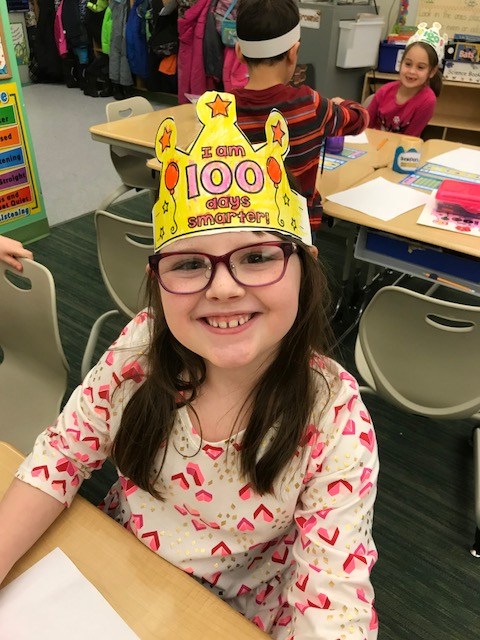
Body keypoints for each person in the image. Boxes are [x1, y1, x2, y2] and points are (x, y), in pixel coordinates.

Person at [0, 92, 379, 639]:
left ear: (305, 267)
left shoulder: (335, 420)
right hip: (117, 572)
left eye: (256, 257)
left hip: (234, 614)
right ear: (158, 281)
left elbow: (334, 606)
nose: (223, 288)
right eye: (190, 264)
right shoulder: (140, 348)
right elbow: (61, 457)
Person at [232, 0, 369, 232]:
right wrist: (340, 103)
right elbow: (359, 119)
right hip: (296, 230)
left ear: (239, 53)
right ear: (293, 52)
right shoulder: (310, 105)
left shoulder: (223, 109)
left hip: (242, 228)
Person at [367, 22, 448, 137]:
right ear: (401, 63)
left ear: (432, 72)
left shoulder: (427, 100)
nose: (412, 71)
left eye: (420, 67)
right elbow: (365, 125)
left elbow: (410, 139)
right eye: (408, 64)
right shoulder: (384, 91)